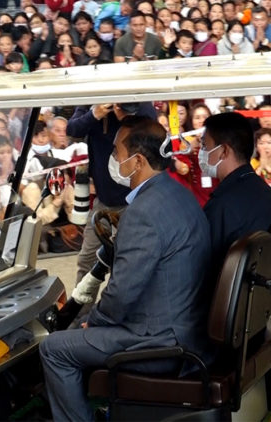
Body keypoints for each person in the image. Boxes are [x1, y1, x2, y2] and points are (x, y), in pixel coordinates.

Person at [40, 116, 212, 421]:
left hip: (157, 340)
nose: (114, 159)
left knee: (54, 348)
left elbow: (120, 295)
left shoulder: (142, 213)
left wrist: (94, 322)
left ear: (138, 161)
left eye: (117, 152)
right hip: (182, 326)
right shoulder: (179, 194)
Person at [67, 101, 156, 285]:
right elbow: (72, 129)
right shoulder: (92, 101)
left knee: (126, 262)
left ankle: (119, 301)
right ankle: (80, 302)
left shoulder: (139, 100)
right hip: (104, 200)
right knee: (86, 259)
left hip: (134, 200)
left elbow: (154, 133)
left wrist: (128, 119)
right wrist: (94, 114)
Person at [201, 112, 271, 286]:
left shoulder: (221, 207)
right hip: (262, 291)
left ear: (223, 151)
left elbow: (203, 269)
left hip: (231, 293)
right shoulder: (266, 193)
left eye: (205, 146)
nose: (201, 153)